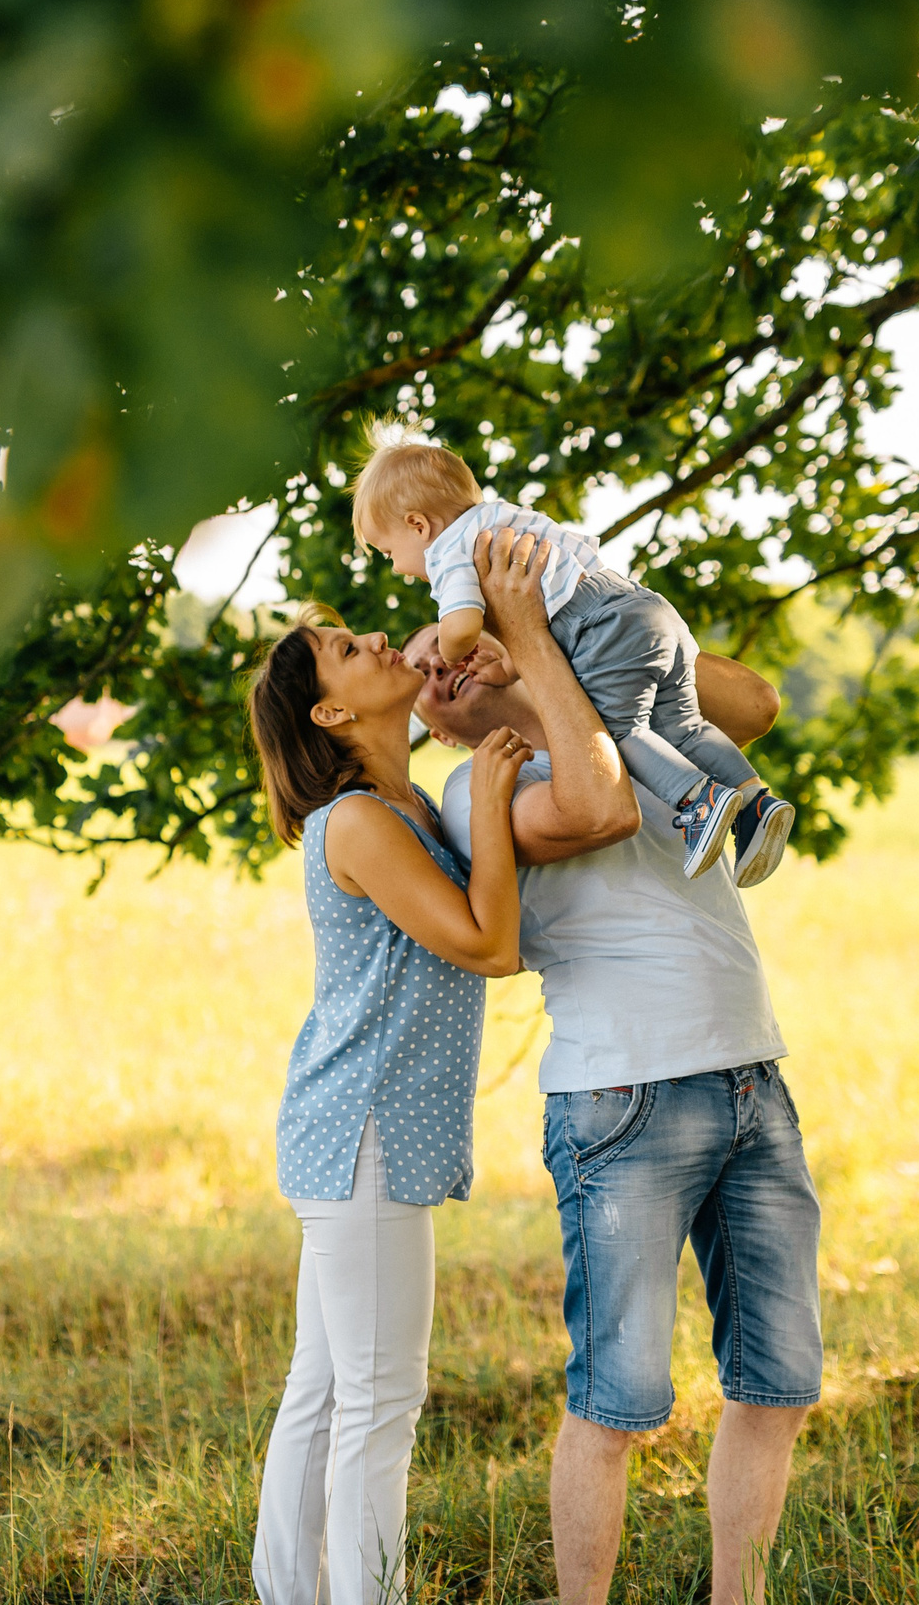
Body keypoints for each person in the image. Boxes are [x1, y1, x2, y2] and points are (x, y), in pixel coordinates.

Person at [245, 531, 640, 1605]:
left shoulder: (404, 808)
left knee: (327, 1391)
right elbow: (486, 943)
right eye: (344, 647)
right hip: (364, 1134)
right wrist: (497, 795)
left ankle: (294, 1592)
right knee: (376, 1398)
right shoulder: (365, 820)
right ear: (331, 712)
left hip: (355, 1131)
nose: (375, 634)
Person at [413, 613, 823, 1605]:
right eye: (424, 672)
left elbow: (756, 703)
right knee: (618, 1403)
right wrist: (539, 666)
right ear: (432, 720)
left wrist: (549, 631)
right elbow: (598, 812)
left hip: (752, 1082)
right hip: (623, 1101)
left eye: (450, 638)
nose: (443, 662)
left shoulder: (646, 723)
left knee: (779, 1384)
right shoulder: (477, 786)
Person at [351, 418, 796, 886]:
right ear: (438, 735)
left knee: (624, 728)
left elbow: (460, 625)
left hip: (602, 630)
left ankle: (699, 801)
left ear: (418, 525)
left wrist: (462, 638)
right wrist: (512, 658)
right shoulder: (501, 517)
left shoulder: (448, 552)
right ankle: (755, 803)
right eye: (422, 674)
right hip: (642, 606)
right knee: (682, 726)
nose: (439, 662)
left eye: (388, 553)